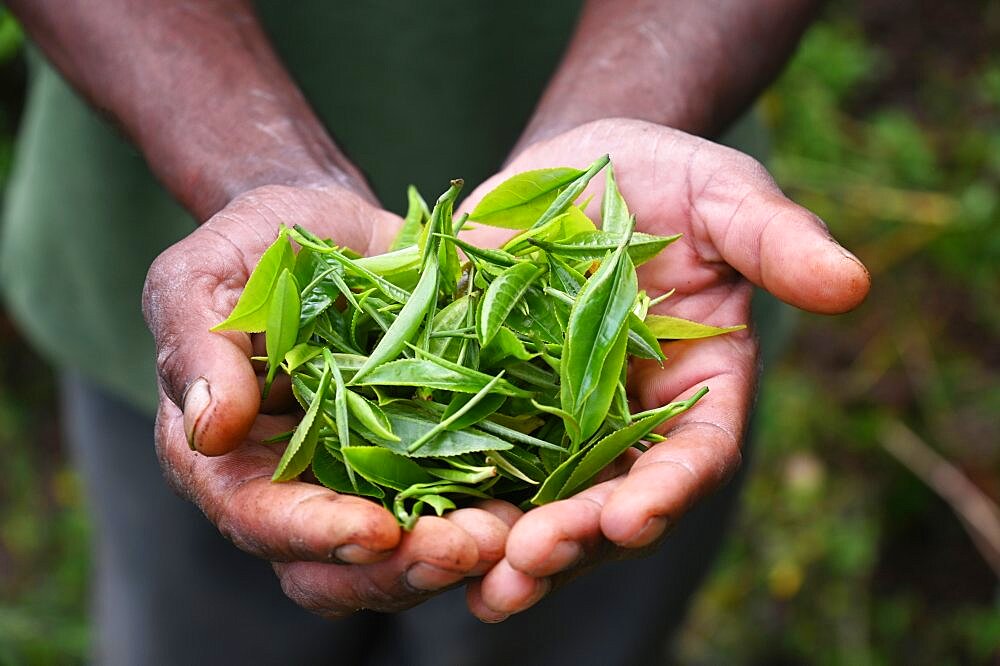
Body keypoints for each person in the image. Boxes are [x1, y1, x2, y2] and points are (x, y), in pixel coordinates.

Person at [0, 1, 870, 664]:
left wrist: (620, 120)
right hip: (223, 330)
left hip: (665, 288)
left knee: (568, 620)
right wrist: (257, 171)